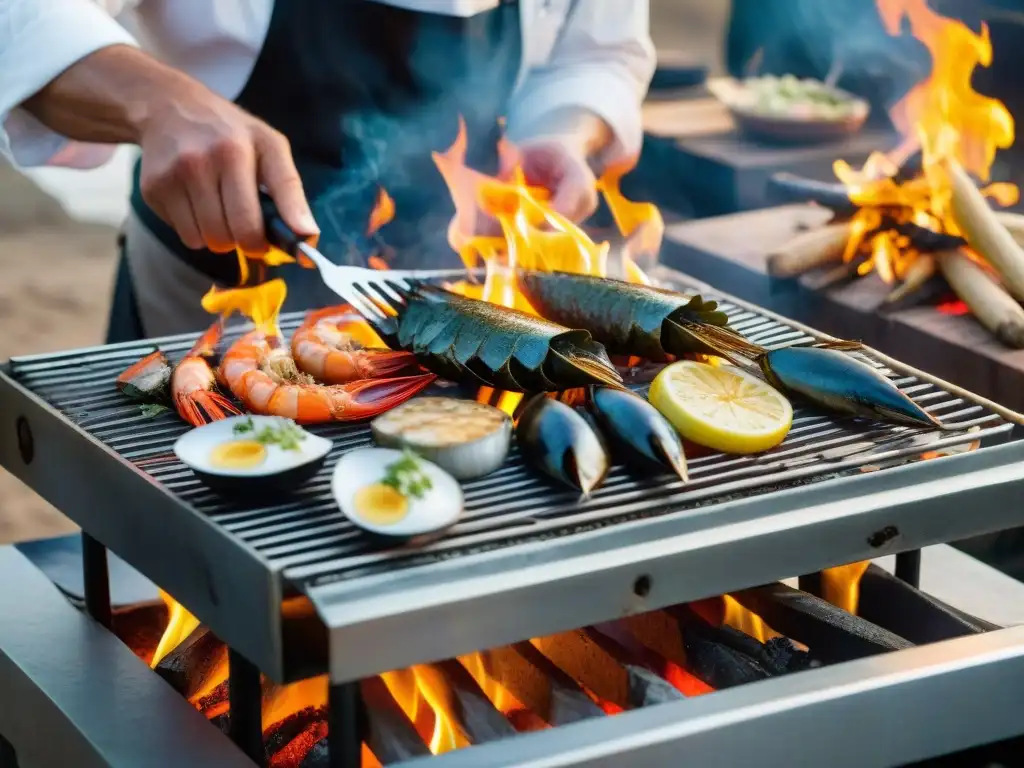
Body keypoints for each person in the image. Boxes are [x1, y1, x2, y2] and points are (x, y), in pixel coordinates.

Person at [0, 0, 655, 342]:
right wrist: (158, 103)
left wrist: (563, 131)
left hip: (462, 307)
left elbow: (599, 53)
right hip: (204, 295)